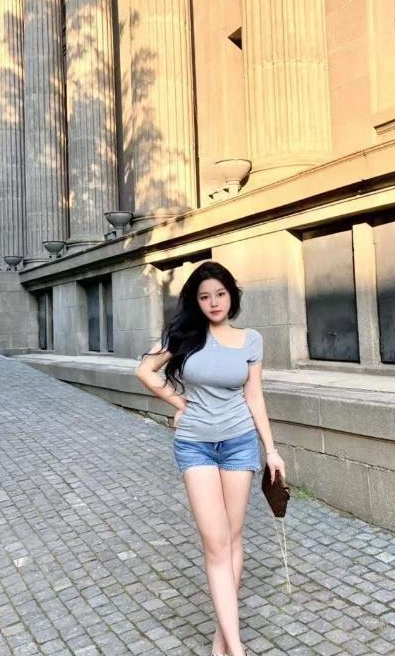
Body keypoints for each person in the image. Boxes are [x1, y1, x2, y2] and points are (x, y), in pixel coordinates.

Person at [135, 261, 286, 656]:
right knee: (216, 544)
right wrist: (178, 402)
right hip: (195, 445)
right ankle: (237, 649)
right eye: (205, 297)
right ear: (196, 301)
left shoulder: (250, 340)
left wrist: (271, 450)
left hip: (239, 444)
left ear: (231, 296)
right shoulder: (184, 335)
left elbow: (255, 396)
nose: (214, 303)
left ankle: (222, 643)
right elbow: (146, 371)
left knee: (233, 540)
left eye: (220, 294)